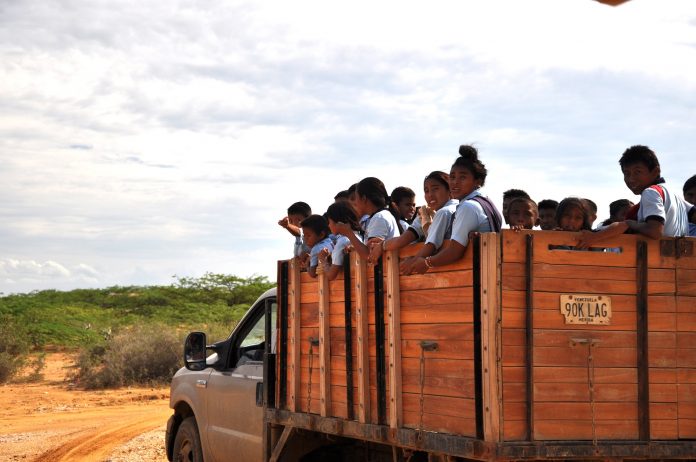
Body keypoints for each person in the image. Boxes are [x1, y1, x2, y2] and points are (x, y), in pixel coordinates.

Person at [404, 145, 502, 274]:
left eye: (462, 177)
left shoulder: (468, 207)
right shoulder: (488, 204)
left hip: (476, 279)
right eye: (452, 177)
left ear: (477, 181)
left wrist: (426, 262)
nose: (455, 182)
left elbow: (454, 251)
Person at [577, 145, 693, 249]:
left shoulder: (650, 192)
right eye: (626, 174)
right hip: (679, 264)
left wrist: (630, 223)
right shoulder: (675, 196)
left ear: (655, 172)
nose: (631, 179)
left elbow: (655, 231)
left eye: (637, 172)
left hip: (655, 264)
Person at [370, 172, 458, 270]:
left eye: (435, 189)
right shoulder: (427, 214)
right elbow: (403, 239)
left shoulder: (444, 212)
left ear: (449, 189)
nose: (430, 195)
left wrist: (412, 262)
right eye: (426, 191)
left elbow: (431, 245)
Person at [334, 177, 400, 262]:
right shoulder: (379, 216)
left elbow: (369, 255)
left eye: (356, 198)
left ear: (364, 198)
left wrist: (348, 233)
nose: (354, 203)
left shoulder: (379, 218)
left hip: (387, 272)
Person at [318, 201, 362, 280]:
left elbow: (331, 275)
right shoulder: (358, 235)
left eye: (330, 222)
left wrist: (323, 260)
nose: (328, 225)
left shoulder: (342, 242)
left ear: (339, 222)